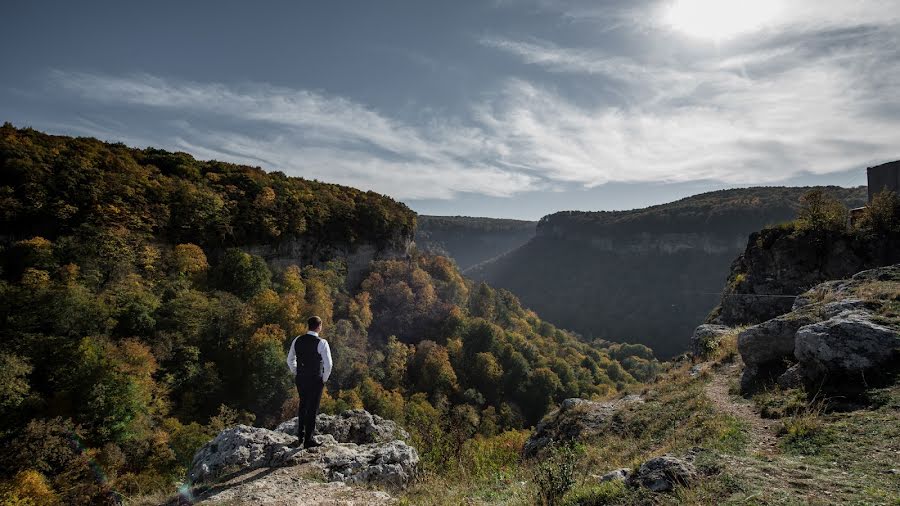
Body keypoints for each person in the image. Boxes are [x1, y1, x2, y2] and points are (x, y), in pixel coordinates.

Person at [286, 316, 333, 449]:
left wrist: (296, 371)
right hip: (315, 380)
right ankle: (308, 440)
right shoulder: (322, 343)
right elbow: (328, 365)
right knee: (312, 409)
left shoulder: (297, 340)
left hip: (301, 378)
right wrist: (323, 379)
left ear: (308, 325)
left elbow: (289, 360)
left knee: (303, 406)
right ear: (319, 326)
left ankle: (300, 437)